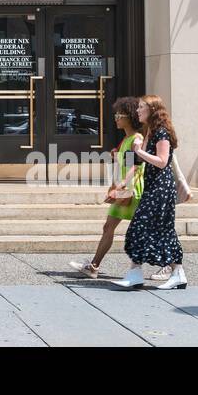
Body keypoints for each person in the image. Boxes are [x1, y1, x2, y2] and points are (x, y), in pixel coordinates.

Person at [114, 94, 187, 290]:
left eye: (141, 108)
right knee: (148, 230)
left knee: (148, 229)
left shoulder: (161, 133)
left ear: (152, 110)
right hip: (152, 187)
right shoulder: (149, 132)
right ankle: (137, 273)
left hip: (161, 189)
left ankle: (173, 272)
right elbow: (138, 163)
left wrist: (139, 152)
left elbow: (162, 162)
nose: (137, 111)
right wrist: (122, 183)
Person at [69, 97, 143, 278]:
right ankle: (94, 266)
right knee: (108, 226)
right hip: (125, 188)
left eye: (120, 114)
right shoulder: (127, 139)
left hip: (133, 190)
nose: (116, 118)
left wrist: (122, 184)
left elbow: (136, 166)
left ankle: (172, 265)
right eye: (116, 114)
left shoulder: (136, 139)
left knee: (146, 229)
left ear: (130, 117)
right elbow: (126, 163)